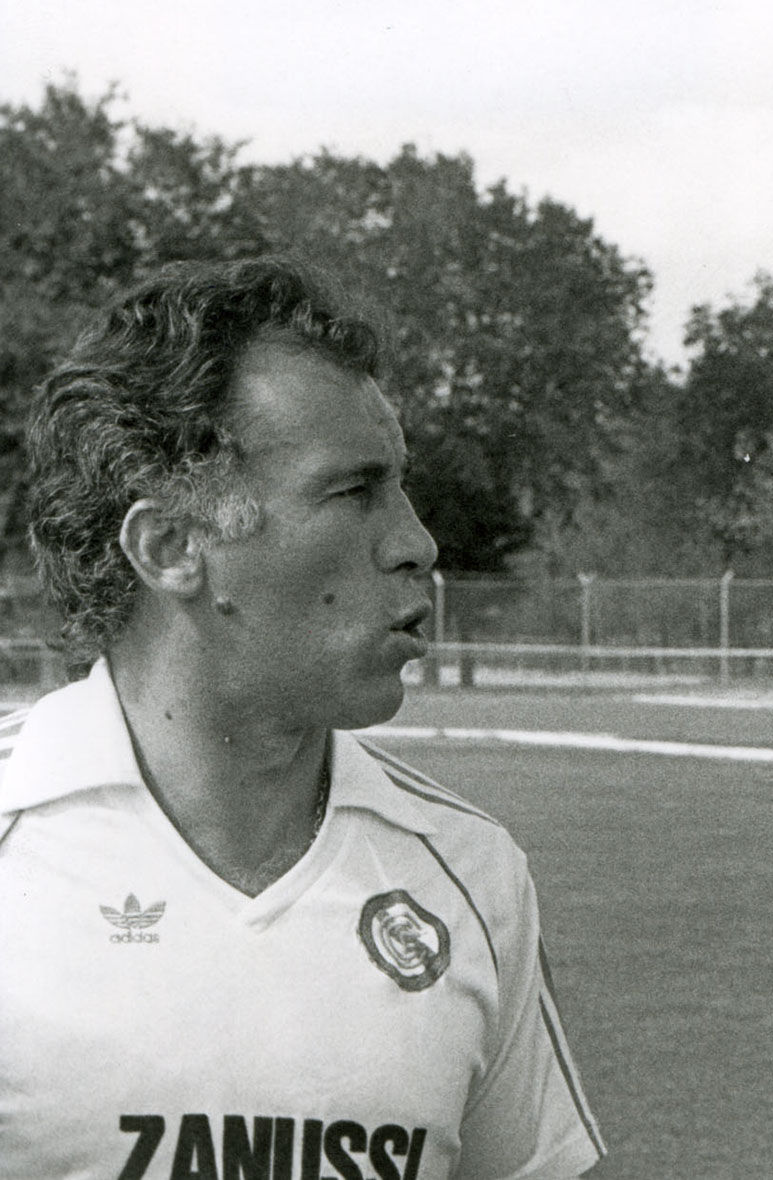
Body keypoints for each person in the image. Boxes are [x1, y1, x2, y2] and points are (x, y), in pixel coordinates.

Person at [0, 258, 607, 1178]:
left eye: (401, 488)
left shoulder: (472, 876)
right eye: (352, 491)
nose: (417, 543)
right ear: (172, 546)